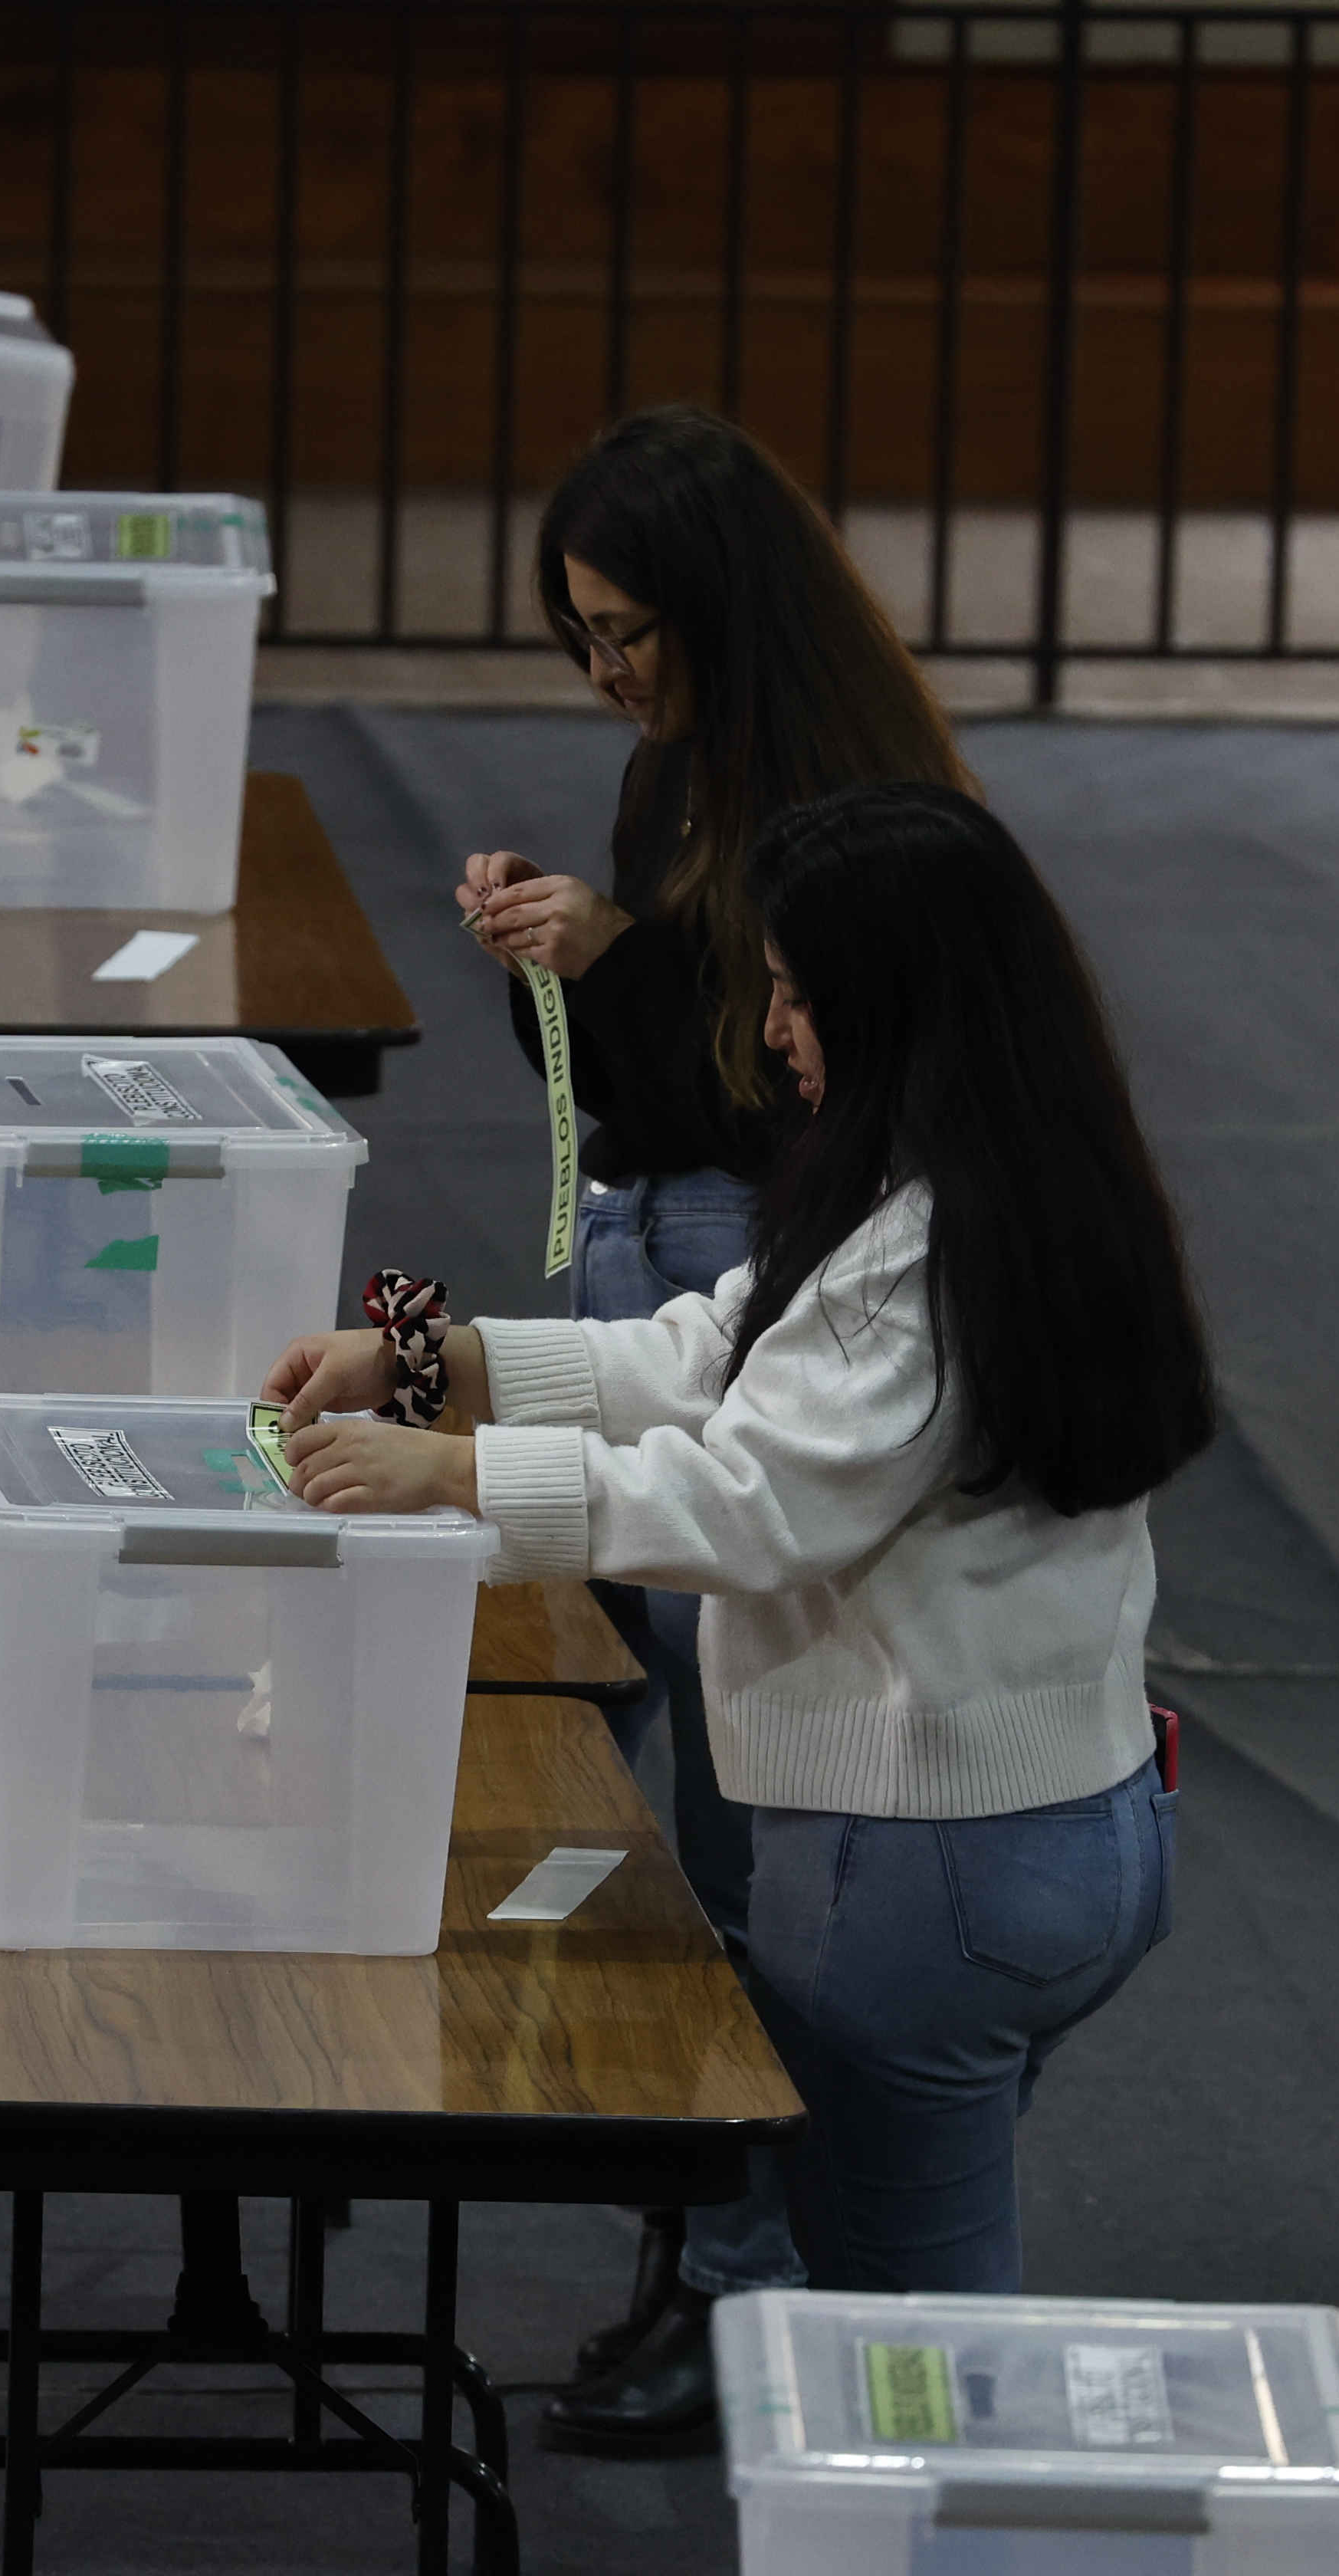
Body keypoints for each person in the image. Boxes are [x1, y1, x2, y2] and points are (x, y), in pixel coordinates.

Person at [269, 782, 1214, 2450]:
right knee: (927, 2303)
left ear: (894, 1003)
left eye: (794, 996)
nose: (770, 1032)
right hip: (1092, 1834)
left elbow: (747, 1509)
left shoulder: (920, 1248)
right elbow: (717, 1348)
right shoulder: (1031, 1172)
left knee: (912, 2367)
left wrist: (450, 1480)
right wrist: (448, 1364)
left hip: (921, 1871)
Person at [451, 406, 976, 2437]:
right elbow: (653, 1087)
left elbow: (778, 1097)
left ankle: (758, 2275)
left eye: (631, 635)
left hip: (746, 1259)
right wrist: (578, 963)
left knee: (751, 1821)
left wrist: (631, 959)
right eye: (581, 636)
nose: (607, 676)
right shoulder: (695, 761)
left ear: (725, 616)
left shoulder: (848, 808)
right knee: (683, 1775)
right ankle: (733, 2239)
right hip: (666, 1249)